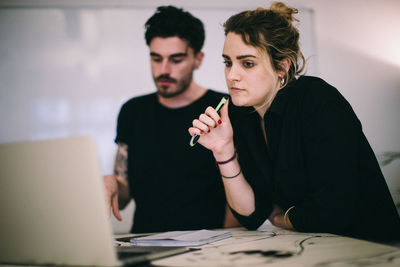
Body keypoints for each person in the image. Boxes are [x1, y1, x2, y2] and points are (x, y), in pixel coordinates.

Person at [189, 1, 400, 242]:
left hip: (372, 246)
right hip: (314, 246)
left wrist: (283, 219)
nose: (231, 75)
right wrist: (223, 150)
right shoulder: (240, 115)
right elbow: (251, 215)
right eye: (228, 62)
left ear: (282, 66)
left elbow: (330, 212)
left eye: (247, 63)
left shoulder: (316, 100)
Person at [104, 5, 238, 233]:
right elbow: (124, 195)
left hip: (209, 250)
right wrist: (112, 185)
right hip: (143, 245)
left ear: (198, 59)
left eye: (176, 60)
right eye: (156, 59)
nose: (163, 70)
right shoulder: (132, 111)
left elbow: (241, 193)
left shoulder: (225, 109)